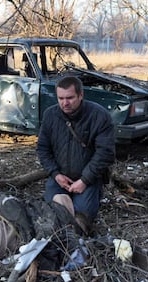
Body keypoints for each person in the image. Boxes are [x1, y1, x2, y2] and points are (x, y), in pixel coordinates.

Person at [36, 76, 116, 223]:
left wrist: (84, 180)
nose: (65, 103)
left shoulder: (99, 116)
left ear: (81, 95)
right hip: (60, 177)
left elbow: (105, 153)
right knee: (52, 214)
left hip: (88, 178)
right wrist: (55, 174)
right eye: (60, 98)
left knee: (81, 219)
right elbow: (42, 149)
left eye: (70, 98)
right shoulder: (50, 115)